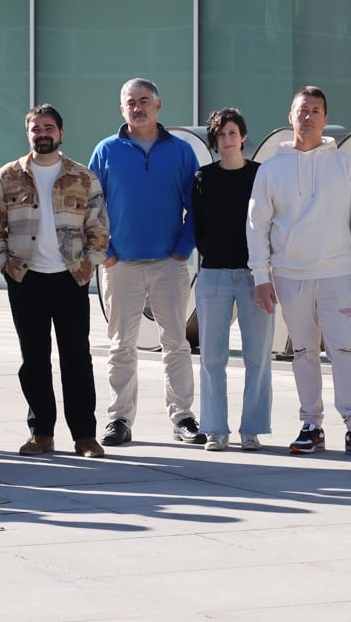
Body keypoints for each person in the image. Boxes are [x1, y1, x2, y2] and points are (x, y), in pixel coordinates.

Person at [247, 85, 351, 459]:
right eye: (301, 110)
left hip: (337, 273)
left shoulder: (344, 164)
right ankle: (311, 425)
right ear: (290, 117)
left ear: (325, 119)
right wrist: (262, 277)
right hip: (290, 276)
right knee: (304, 351)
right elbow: (257, 226)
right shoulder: (272, 168)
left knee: (344, 349)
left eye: (315, 110)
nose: (308, 116)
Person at [0, 105, 109, 459]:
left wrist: (87, 266)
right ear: (28, 134)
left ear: (61, 133)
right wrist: (4, 264)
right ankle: (41, 433)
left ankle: (85, 435)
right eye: (36, 128)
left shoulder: (83, 176)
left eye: (49, 128)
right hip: (26, 279)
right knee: (34, 359)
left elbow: (99, 228)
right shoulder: (8, 175)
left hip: (70, 278)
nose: (43, 133)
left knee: (76, 358)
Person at [88, 78, 201, 447]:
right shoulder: (106, 151)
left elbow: (196, 206)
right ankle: (119, 418)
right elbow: (89, 206)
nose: (138, 107)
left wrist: (183, 249)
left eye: (144, 101)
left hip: (169, 264)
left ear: (159, 105)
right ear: (122, 109)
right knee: (121, 345)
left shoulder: (181, 151)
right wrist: (105, 252)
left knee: (176, 344)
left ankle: (183, 417)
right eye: (130, 102)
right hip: (120, 266)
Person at [192, 107, 273, 452]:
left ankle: (251, 429)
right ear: (214, 141)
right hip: (213, 276)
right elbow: (197, 226)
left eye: (233, 133)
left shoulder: (260, 175)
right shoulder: (202, 177)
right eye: (221, 135)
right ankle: (215, 428)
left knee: (258, 356)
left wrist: (265, 271)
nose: (227, 139)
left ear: (243, 136)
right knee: (212, 358)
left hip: (255, 276)